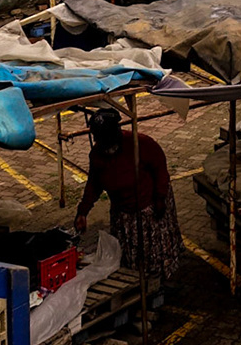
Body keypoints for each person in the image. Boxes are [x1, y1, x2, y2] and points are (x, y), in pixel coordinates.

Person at [75, 108, 181, 283]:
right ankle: (135, 282)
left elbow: (161, 171)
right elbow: (94, 184)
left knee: (154, 255)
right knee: (131, 257)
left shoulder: (141, 144)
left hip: (149, 207)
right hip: (123, 212)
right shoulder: (97, 155)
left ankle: (159, 283)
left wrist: (160, 198)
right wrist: (83, 212)